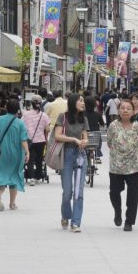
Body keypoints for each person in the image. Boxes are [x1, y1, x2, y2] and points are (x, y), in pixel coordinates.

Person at [53, 94, 90, 232]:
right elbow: (57, 136)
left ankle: (76, 223)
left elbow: (85, 137)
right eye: (80, 100)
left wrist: (84, 142)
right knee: (67, 191)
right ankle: (65, 215)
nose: (83, 102)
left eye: (83, 100)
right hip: (67, 154)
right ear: (73, 102)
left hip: (80, 155)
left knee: (79, 192)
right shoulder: (63, 117)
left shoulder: (84, 119)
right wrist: (74, 140)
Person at [107, 99, 138, 232]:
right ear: (118, 110)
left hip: (134, 165)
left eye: (128, 108)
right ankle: (117, 211)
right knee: (114, 192)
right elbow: (109, 142)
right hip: (116, 165)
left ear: (134, 111)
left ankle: (129, 221)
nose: (125, 110)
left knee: (133, 195)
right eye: (122, 108)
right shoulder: (113, 125)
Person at [0, 99, 29, 211]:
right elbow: (23, 140)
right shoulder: (20, 123)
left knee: (0, 175)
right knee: (14, 177)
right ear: (17, 110)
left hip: (0, 154)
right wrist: (27, 152)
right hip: (16, 155)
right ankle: (12, 204)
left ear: (6, 107)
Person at [23, 95, 51, 185]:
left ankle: (31, 177)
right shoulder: (44, 115)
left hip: (28, 140)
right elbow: (47, 129)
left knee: (30, 158)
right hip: (40, 141)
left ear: (31, 103)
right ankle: (38, 177)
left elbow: (22, 126)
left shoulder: (25, 114)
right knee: (39, 159)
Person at [84, 96, 105, 161]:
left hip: (85, 136)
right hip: (95, 136)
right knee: (99, 140)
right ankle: (97, 153)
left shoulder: (82, 114)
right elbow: (102, 124)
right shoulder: (97, 114)